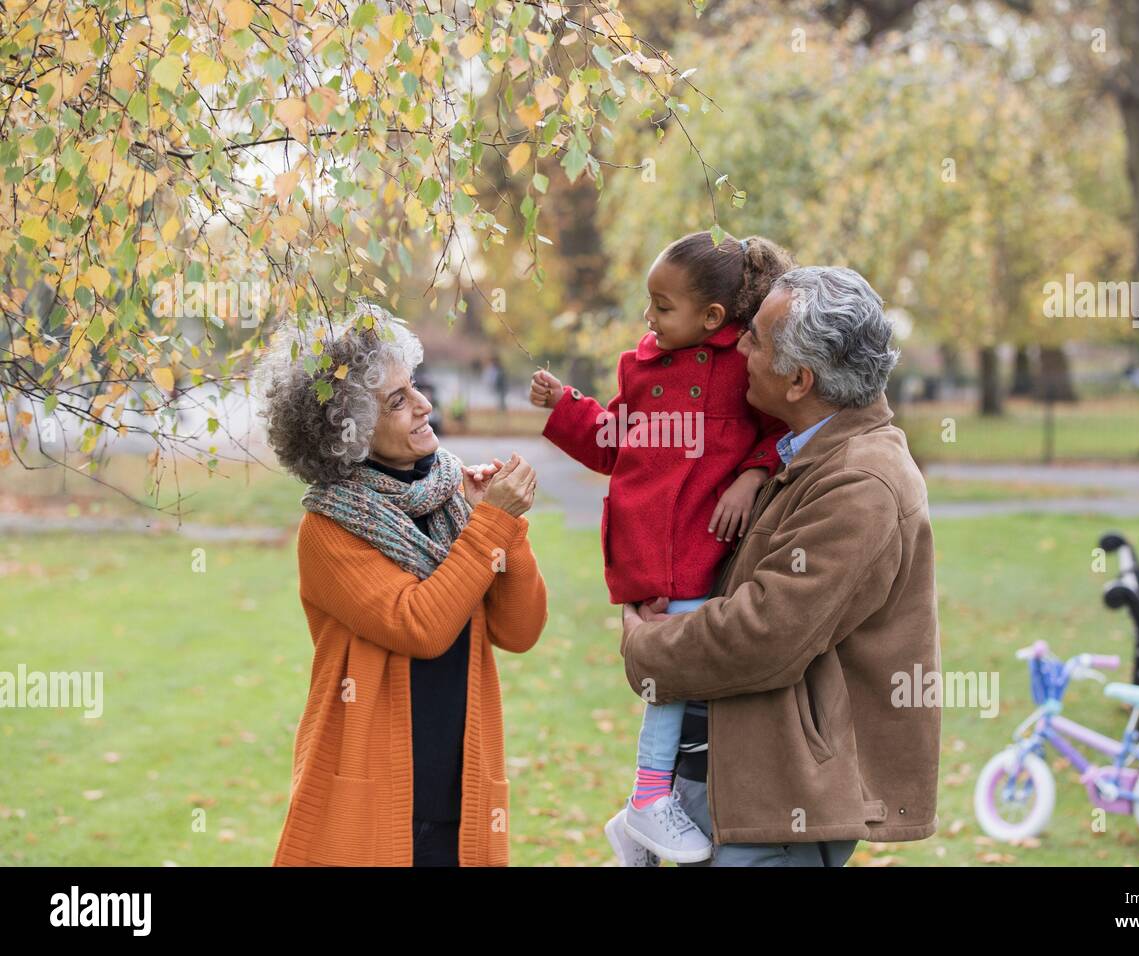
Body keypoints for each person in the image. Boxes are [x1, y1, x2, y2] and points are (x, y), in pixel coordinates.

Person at [621, 266, 941, 866]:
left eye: (756, 339)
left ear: (799, 380)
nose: (738, 344)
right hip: (738, 783)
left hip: (780, 807)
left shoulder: (860, 484)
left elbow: (764, 635)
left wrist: (648, 648)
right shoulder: (804, 456)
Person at [531, 232, 794, 864]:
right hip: (652, 545)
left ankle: (647, 811)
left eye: (662, 305)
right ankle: (649, 797)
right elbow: (608, 443)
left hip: (706, 546)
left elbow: (779, 430)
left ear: (712, 317)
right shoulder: (641, 368)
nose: (649, 316)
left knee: (693, 678)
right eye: (649, 303)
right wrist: (566, 405)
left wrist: (752, 475)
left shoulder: (744, 366)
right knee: (675, 667)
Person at [261, 304, 547, 866]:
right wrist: (492, 524)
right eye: (397, 401)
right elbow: (421, 625)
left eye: (412, 386)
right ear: (347, 432)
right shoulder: (329, 528)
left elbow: (520, 630)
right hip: (372, 792)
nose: (424, 405)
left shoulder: (450, 496)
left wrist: (504, 528)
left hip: (460, 787)